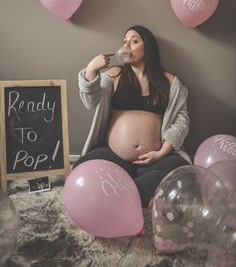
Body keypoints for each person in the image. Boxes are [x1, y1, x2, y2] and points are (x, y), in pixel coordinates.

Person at [73, 25, 191, 207]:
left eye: (134, 41)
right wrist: (91, 70)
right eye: (124, 41)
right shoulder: (114, 75)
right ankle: (140, 193)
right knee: (83, 167)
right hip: (115, 156)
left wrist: (161, 153)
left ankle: (121, 192)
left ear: (148, 47)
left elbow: (181, 121)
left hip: (156, 160)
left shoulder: (169, 82)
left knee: (182, 171)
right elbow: (91, 103)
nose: (126, 46)